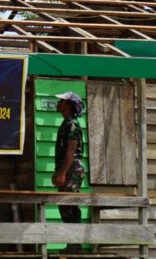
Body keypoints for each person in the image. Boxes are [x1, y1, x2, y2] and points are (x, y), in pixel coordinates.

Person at [51, 91, 86, 254]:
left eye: (62, 101)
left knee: (70, 207)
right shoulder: (66, 123)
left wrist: (62, 173)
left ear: (69, 106)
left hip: (71, 169)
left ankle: (75, 245)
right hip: (67, 168)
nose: (59, 103)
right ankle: (73, 244)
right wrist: (58, 171)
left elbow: (71, 150)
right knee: (65, 207)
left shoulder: (72, 125)